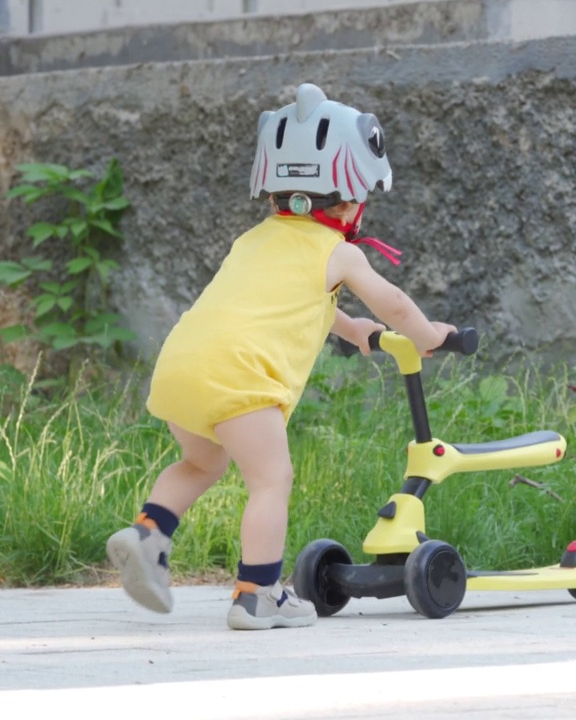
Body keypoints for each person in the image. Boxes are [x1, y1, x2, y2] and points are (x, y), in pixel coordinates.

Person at [106, 83, 456, 630]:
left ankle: (149, 534)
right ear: (351, 201)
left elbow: (281, 297)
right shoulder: (337, 252)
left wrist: (349, 327)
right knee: (271, 480)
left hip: (181, 366)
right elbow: (392, 301)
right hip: (242, 377)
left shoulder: (253, 241)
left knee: (201, 461)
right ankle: (257, 594)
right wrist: (427, 333)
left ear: (274, 195)